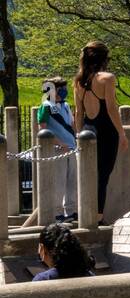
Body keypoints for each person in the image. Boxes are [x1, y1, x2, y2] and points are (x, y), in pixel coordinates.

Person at [73, 41, 128, 224]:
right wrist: (122, 133)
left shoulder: (79, 81)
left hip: (87, 131)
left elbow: (79, 113)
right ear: (104, 59)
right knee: (102, 176)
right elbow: (112, 109)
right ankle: (98, 218)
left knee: (89, 176)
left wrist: (78, 136)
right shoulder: (107, 78)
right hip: (106, 132)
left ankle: (87, 215)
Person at [36, 77, 78, 222]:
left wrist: (76, 139)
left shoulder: (66, 105)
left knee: (72, 181)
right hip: (58, 150)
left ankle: (71, 212)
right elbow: (43, 129)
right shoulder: (46, 106)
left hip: (72, 148)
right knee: (59, 182)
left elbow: (72, 124)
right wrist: (60, 143)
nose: (65, 91)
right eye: (62, 88)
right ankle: (57, 213)